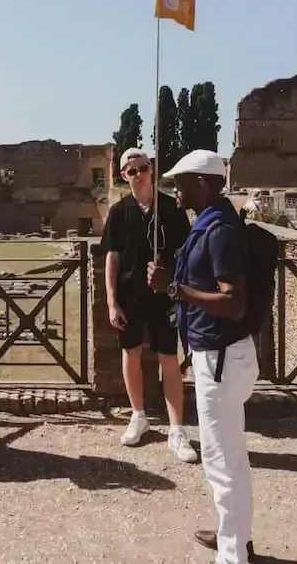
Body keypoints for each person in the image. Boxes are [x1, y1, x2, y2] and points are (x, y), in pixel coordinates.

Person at [148, 149, 257, 564]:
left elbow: (235, 302)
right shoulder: (209, 224)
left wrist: (174, 290)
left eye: (183, 180)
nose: (176, 187)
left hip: (223, 358)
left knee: (222, 459)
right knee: (224, 455)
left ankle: (233, 556)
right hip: (216, 355)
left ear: (207, 183)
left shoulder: (220, 231)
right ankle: (236, 536)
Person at [101, 148, 197, 462]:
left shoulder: (171, 207)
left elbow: (186, 253)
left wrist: (176, 281)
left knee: (169, 359)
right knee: (131, 353)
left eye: (143, 167)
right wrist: (112, 300)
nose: (139, 174)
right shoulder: (118, 212)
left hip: (165, 295)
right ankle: (138, 416)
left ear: (152, 169)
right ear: (123, 176)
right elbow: (112, 257)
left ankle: (176, 429)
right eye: (132, 170)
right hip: (130, 296)